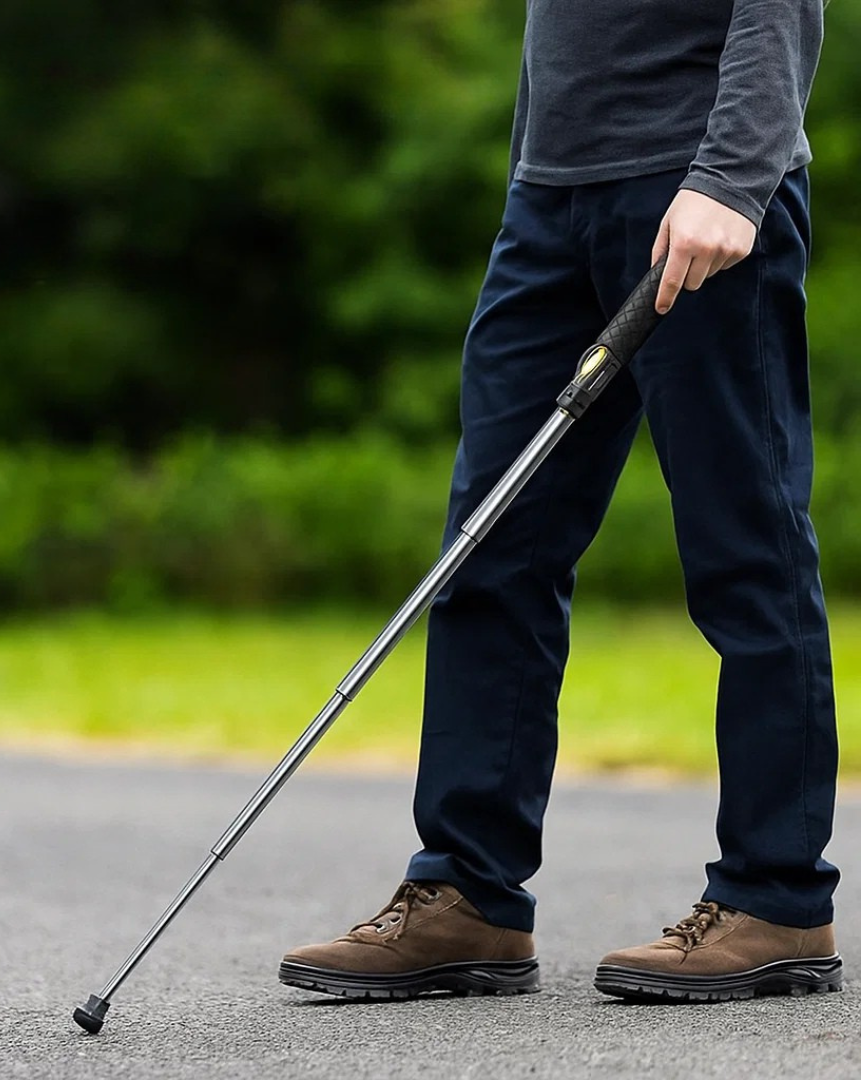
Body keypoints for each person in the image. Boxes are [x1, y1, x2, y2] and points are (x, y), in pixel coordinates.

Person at [278, 0, 843, 1003]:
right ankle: (469, 894)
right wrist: (537, 176)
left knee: (745, 548)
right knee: (491, 549)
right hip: (551, 201)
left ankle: (777, 899)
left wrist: (733, 176)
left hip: (698, 196)